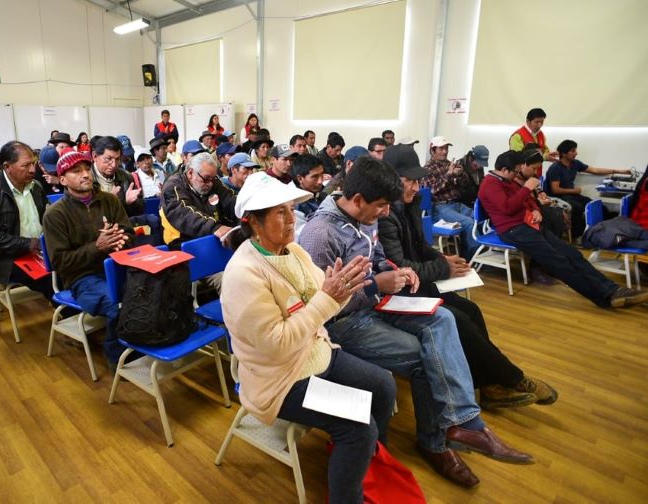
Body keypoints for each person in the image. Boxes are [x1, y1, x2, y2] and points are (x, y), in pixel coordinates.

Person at [299, 156, 533, 487]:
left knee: (445, 318)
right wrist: (375, 286)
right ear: (358, 199)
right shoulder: (319, 234)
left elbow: (377, 257)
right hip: (343, 323)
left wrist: (394, 271)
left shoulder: (365, 216)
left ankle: (465, 423)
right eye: (381, 206)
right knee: (427, 357)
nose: (385, 213)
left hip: (377, 303)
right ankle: (436, 443)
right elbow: (321, 308)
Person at [221, 172, 397, 503]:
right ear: (254, 222)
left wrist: (344, 288)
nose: (292, 219)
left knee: (383, 385)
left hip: (315, 351)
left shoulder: (293, 251)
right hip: (282, 378)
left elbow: (324, 303)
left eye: (291, 209)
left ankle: (369, 464)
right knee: (359, 428)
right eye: (280, 212)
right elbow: (278, 344)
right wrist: (328, 298)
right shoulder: (243, 274)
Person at [379, 149, 558, 408]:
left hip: (418, 285)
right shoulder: (384, 214)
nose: (417, 188)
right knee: (458, 319)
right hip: (400, 292)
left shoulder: (409, 204)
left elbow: (420, 247)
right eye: (410, 181)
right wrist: (444, 268)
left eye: (418, 181)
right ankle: (513, 378)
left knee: (471, 310)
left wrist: (443, 259)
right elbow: (401, 267)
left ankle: (488, 385)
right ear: (391, 180)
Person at [478, 151, 648, 309]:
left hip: (528, 225)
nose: (517, 174)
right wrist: (526, 188)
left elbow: (528, 201)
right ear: (504, 170)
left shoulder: (506, 180)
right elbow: (507, 208)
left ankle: (612, 289)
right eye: (515, 171)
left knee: (572, 254)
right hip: (513, 230)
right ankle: (604, 297)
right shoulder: (490, 184)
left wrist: (535, 209)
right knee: (559, 262)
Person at [42, 150, 136, 371]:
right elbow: (60, 263)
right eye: (76, 171)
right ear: (62, 180)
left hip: (117, 266)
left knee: (152, 289)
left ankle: (141, 340)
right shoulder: (55, 214)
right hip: (82, 278)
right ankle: (117, 355)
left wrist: (120, 239)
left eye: (86, 169)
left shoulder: (109, 200)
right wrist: (98, 247)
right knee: (118, 303)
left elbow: (129, 233)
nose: (85, 174)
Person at [0, 141, 53, 300]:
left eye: (34, 163)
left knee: (73, 268)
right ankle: (70, 313)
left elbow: (47, 218)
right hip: (6, 257)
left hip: (39, 250)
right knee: (52, 280)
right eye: (26, 165)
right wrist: (28, 244)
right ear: (7, 166)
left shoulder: (36, 187)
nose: (32, 169)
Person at [546, 139, 631, 239]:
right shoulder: (555, 168)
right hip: (559, 197)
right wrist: (574, 191)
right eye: (573, 151)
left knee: (597, 205)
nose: (576, 153)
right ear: (564, 153)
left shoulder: (575, 163)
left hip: (572, 195)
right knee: (577, 208)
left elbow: (594, 170)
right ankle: (577, 236)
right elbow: (555, 190)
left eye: (575, 150)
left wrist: (619, 171)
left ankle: (603, 231)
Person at [160, 152, 238, 248]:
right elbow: (185, 214)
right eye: (206, 179)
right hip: (182, 242)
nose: (210, 184)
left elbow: (230, 199)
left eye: (212, 179)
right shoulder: (173, 186)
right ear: (190, 173)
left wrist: (247, 213)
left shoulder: (213, 180)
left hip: (210, 235)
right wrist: (214, 227)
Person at [419, 136, 479, 260]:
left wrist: (460, 174)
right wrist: (448, 175)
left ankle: (470, 254)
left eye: (446, 148)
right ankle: (472, 259)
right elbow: (431, 191)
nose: (445, 151)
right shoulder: (427, 169)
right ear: (432, 150)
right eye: (441, 149)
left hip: (455, 203)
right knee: (468, 223)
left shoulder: (449, 164)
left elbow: (464, 185)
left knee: (478, 218)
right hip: (439, 207)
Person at [90, 136, 144, 217]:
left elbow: (140, 210)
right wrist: (109, 201)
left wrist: (130, 203)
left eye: (117, 159)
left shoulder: (126, 176)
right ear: (94, 156)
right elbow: (84, 216)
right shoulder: (85, 179)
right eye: (108, 159)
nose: (114, 165)